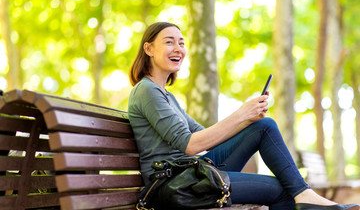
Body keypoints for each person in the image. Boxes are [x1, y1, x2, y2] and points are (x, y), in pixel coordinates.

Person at [127, 22, 359, 210]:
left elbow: (200, 135)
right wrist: (240, 114)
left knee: (263, 126)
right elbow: (190, 145)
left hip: (190, 174)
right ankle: (305, 195)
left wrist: (248, 120)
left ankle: (305, 194)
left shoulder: (167, 96)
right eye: (169, 42)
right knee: (282, 191)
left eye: (181, 43)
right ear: (149, 49)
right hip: (173, 185)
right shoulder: (146, 90)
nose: (178, 48)